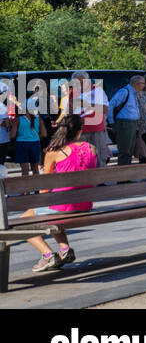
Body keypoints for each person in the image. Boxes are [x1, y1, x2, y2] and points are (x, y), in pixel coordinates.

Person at [20, 113, 97, 273]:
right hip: (85, 205)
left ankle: (47, 254)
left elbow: (44, 188)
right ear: (79, 131)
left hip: (64, 206)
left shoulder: (54, 153)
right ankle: (64, 249)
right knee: (55, 210)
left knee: (22, 221)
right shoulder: (91, 148)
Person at [58, 71, 110, 169]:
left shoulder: (97, 90)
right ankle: (84, 182)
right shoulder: (71, 93)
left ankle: (101, 181)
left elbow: (105, 109)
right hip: (78, 131)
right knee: (80, 159)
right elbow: (67, 113)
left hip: (96, 130)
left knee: (98, 157)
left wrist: (85, 104)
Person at [107, 74, 144, 166]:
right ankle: (122, 178)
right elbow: (110, 105)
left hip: (132, 124)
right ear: (136, 84)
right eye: (143, 83)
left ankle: (127, 176)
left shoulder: (135, 93)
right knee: (124, 151)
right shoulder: (125, 92)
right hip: (124, 125)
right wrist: (111, 122)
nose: (144, 85)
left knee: (129, 152)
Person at [14, 96, 47, 176]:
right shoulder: (39, 119)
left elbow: (12, 135)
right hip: (35, 143)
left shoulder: (18, 120)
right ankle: (37, 188)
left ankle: (25, 188)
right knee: (35, 169)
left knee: (25, 170)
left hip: (21, 144)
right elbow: (44, 134)